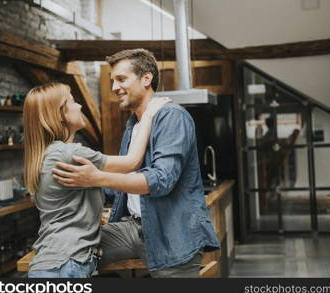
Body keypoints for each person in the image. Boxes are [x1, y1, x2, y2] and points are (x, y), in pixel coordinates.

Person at [52, 49, 220, 278]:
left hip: (171, 232)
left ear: (146, 78)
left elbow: (161, 180)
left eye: (121, 79)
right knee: (66, 248)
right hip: (132, 227)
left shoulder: (171, 116)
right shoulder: (134, 124)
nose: (114, 88)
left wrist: (96, 177)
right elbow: (128, 174)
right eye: (112, 81)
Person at [23, 82, 169, 278]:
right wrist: (148, 116)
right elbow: (132, 162)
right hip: (66, 266)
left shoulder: (48, 154)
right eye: (73, 101)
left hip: (52, 263)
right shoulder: (68, 153)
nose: (80, 106)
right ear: (60, 115)